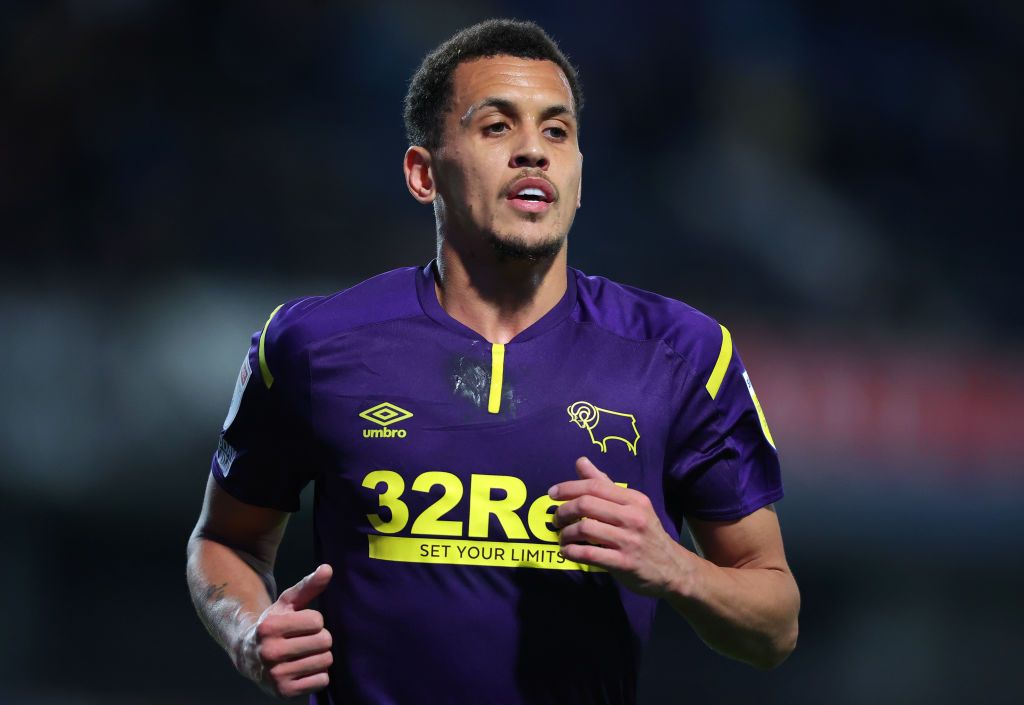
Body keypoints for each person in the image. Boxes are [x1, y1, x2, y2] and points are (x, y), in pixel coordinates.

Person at [186, 18, 800, 705]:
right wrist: (248, 631)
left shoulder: (684, 354)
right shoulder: (312, 344)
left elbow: (774, 625)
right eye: (497, 127)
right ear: (424, 174)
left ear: (578, 176)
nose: (534, 151)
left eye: (557, 131)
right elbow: (224, 541)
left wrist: (676, 566)